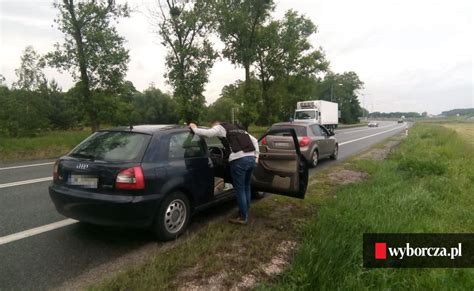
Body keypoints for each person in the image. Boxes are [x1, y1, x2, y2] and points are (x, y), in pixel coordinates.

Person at [189, 121, 259, 225]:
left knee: (240, 189)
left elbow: (208, 133)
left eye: (214, 127)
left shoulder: (220, 127)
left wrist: (194, 129)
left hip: (239, 160)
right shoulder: (238, 129)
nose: (215, 129)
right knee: (246, 187)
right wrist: (256, 157)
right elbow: (255, 140)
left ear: (216, 124)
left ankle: (243, 217)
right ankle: (245, 212)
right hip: (251, 158)